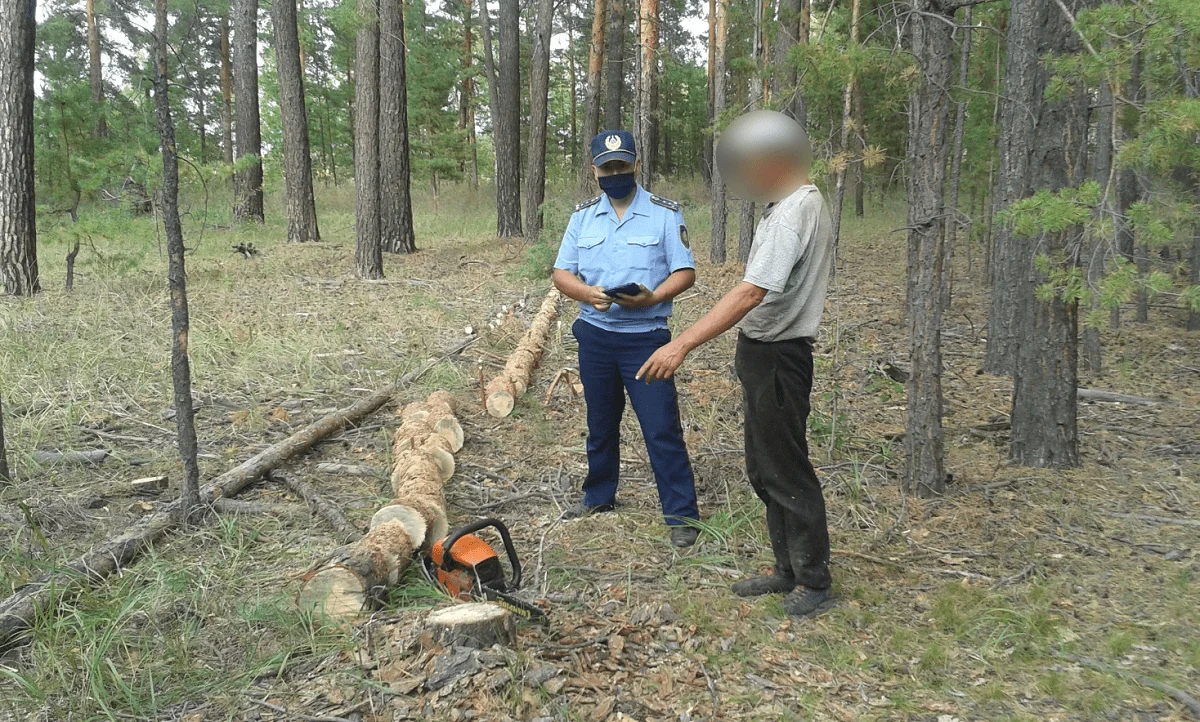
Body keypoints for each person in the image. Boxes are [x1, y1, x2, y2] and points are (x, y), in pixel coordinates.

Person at [637, 111, 835, 616]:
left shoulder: (794, 212)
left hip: (778, 356)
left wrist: (680, 345)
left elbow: (749, 292)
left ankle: (813, 581)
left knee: (785, 469)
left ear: (773, 161)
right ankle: (786, 568)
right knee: (763, 467)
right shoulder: (792, 206)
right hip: (765, 354)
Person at [551, 130, 702, 548]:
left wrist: (654, 297)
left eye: (622, 165)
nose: (615, 173)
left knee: (660, 429)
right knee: (600, 425)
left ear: (636, 164)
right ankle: (599, 497)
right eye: (607, 167)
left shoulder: (663, 214)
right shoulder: (582, 217)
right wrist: (585, 293)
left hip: (646, 340)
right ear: (594, 170)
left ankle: (681, 516)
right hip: (596, 338)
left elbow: (685, 272)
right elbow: (562, 272)